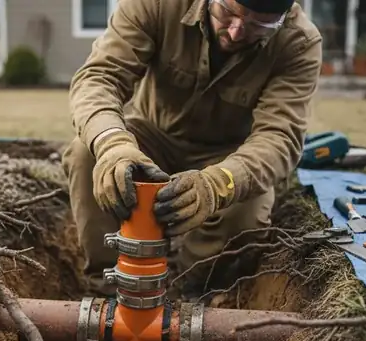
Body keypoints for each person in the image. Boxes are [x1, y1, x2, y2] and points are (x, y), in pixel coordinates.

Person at [62, 0, 322, 297]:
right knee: (86, 155)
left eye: (257, 26)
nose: (237, 33)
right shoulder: (157, 4)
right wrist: (112, 145)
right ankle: (108, 290)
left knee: (247, 215)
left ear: (282, 18)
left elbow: (279, 136)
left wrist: (216, 185)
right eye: (228, 13)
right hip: (149, 137)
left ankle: (190, 291)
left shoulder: (298, 42)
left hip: (230, 156)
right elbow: (100, 77)